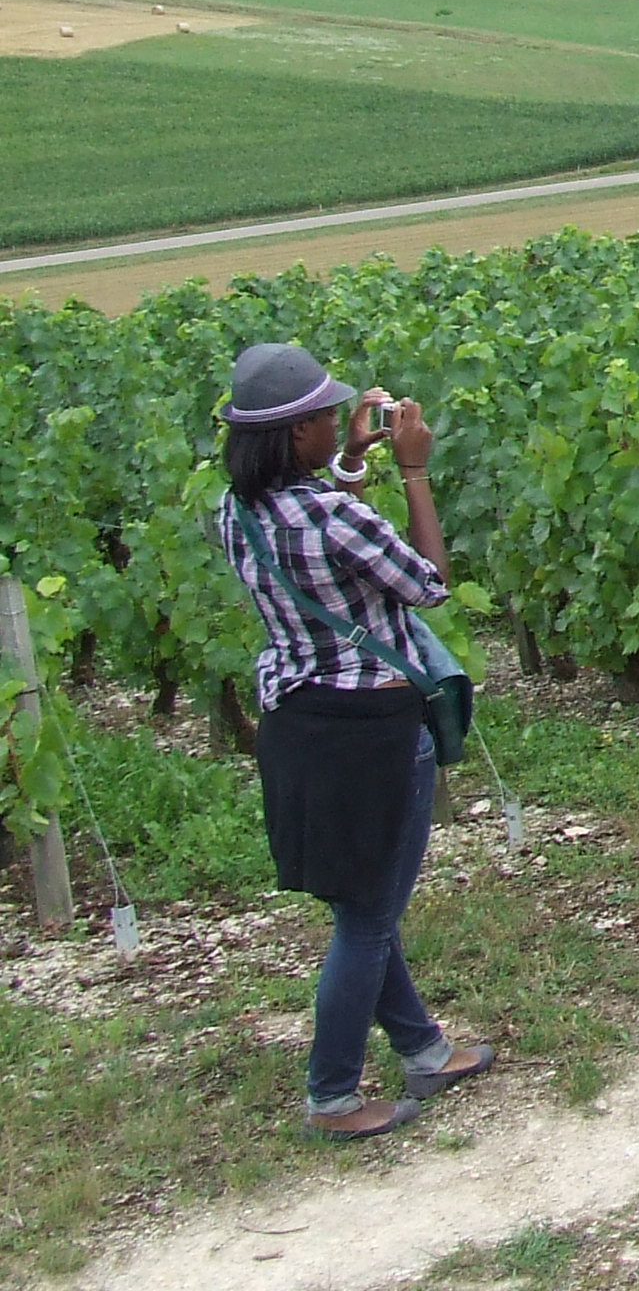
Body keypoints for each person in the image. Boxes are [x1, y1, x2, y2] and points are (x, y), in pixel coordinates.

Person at [215, 344, 494, 1138]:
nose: (343, 420)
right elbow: (428, 583)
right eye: (329, 417)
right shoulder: (333, 516)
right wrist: (412, 470)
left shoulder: (238, 509)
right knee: (367, 919)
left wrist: (347, 458)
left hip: (296, 718)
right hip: (370, 726)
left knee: (360, 904)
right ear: (295, 432)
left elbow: (318, 540)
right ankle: (332, 1096)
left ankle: (423, 1050)